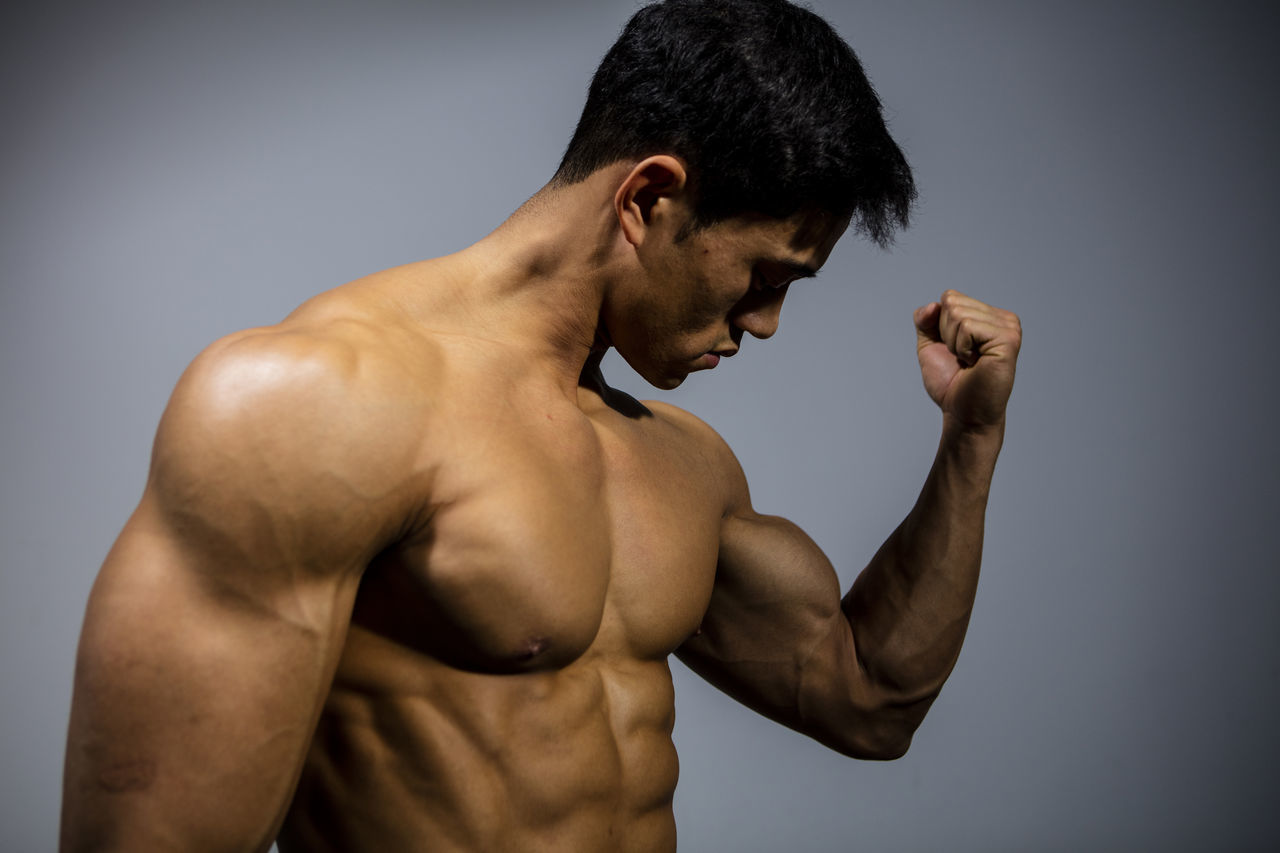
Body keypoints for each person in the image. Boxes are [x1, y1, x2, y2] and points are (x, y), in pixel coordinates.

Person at [60, 0, 1022, 850]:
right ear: (647, 198)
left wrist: (969, 447)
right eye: (763, 276)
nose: (766, 321)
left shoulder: (683, 464)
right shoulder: (316, 403)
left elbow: (866, 699)